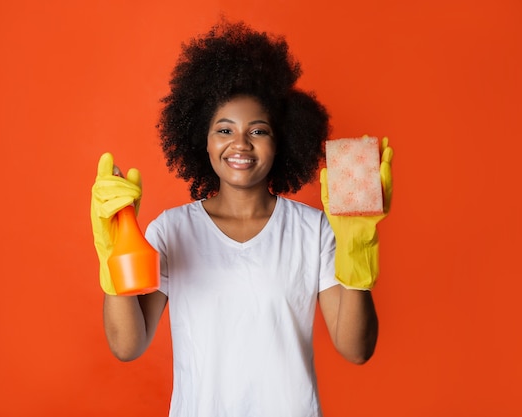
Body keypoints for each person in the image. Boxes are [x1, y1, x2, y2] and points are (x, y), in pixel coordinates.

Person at [91, 19, 393, 417]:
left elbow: (356, 349)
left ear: (280, 140)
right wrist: (115, 257)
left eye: (259, 130)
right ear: (202, 139)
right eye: (224, 129)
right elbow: (128, 346)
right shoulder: (170, 231)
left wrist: (356, 248)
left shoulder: (314, 229)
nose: (240, 144)